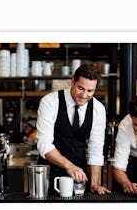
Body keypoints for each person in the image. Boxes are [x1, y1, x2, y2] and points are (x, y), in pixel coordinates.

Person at [36, 64, 111, 195]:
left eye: (90, 91)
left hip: (79, 176)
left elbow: (96, 150)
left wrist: (94, 183)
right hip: (50, 174)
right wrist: (69, 166)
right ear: (72, 81)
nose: (84, 95)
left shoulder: (98, 109)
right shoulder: (50, 102)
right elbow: (44, 144)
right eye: (80, 88)